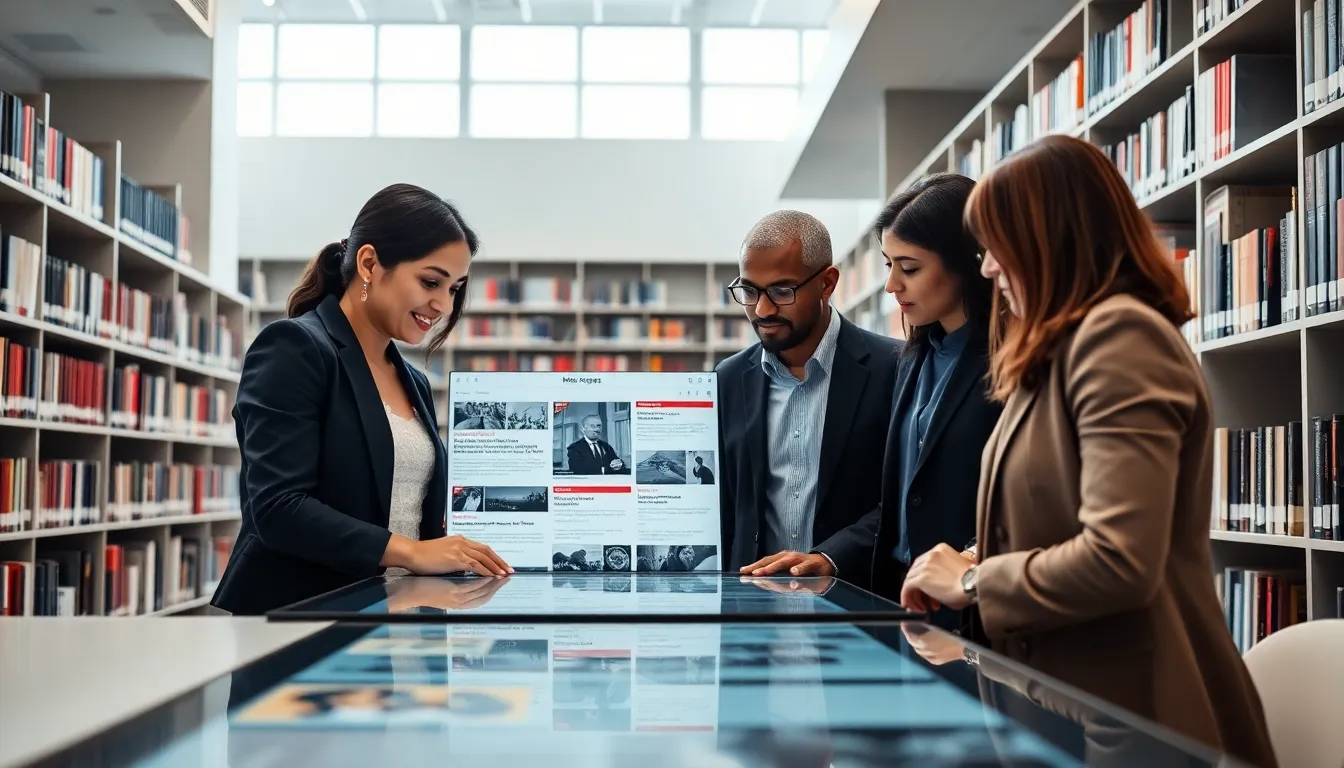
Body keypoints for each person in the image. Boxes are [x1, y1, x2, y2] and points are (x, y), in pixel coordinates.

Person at [897, 135, 1278, 768]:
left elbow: (1120, 558)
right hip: (1062, 705)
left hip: (1129, 722)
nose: (987, 268)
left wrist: (971, 581)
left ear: (1048, 239)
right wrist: (975, 553)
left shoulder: (1119, 338)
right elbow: (1061, 511)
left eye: (996, 247)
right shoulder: (1055, 354)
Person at [210, 183, 512, 617]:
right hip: (307, 616)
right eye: (431, 281)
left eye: (454, 289)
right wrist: (412, 552)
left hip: (400, 615)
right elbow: (277, 508)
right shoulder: (294, 347)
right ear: (369, 263)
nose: (443, 305)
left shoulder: (415, 382)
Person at [738, 174, 1000, 632]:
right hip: (903, 604)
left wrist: (975, 562)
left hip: (972, 603)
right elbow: (900, 496)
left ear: (967, 263)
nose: (892, 286)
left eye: (910, 268)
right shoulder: (916, 358)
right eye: (888, 265)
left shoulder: (1002, 363)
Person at [715, 210, 901, 572]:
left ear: (827, 283)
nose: (763, 309)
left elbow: (904, 499)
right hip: (751, 608)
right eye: (749, 291)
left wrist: (832, 557)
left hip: (856, 603)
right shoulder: (727, 379)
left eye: (782, 291)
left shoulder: (894, 368)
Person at [564, 413, 629, 474]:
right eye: (592, 426)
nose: (597, 429)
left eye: (599, 426)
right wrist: (606, 469)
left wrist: (620, 464)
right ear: (583, 429)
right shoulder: (574, 448)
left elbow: (617, 462)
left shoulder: (606, 446)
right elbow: (578, 471)